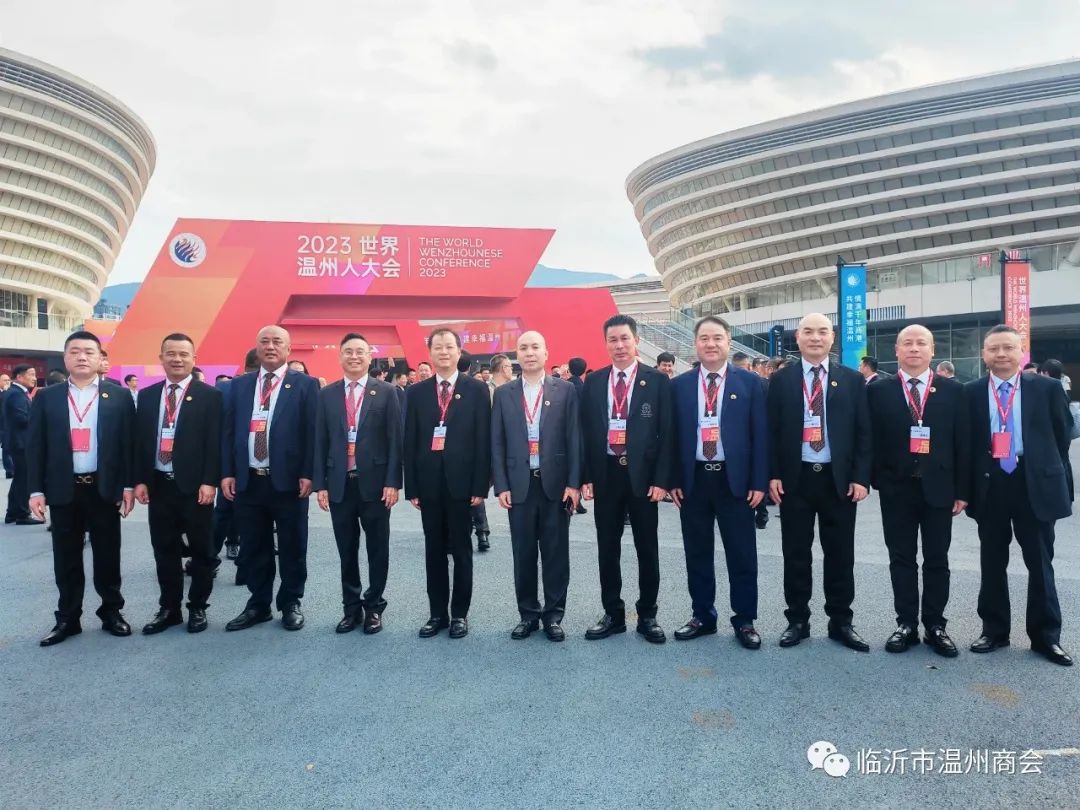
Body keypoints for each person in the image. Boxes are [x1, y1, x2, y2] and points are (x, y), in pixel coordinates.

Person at [965, 325, 1073, 666]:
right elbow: (967, 443)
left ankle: (1046, 637)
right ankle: (994, 631)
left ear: (1021, 352)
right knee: (992, 560)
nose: (1001, 354)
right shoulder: (971, 392)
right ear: (983, 354)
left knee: (1040, 561)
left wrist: (1051, 474)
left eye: (1008, 348)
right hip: (991, 482)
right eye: (993, 348)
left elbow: (1062, 436)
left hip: (1033, 481)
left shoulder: (1047, 388)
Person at [768, 313, 872, 652]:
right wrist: (773, 474)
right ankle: (797, 620)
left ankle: (841, 621)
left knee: (840, 554)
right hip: (795, 479)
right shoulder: (781, 380)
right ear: (798, 338)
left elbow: (863, 433)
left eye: (822, 331)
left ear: (832, 338)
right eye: (809, 332)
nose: (816, 337)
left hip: (837, 481)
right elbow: (771, 432)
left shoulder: (852, 380)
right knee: (796, 553)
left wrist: (860, 477)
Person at [868, 325, 970, 657]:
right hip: (896, 489)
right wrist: (878, 479)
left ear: (932, 350)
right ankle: (906, 624)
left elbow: (963, 443)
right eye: (907, 343)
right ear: (896, 351)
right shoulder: (878, 391)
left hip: (940, 489)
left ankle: (935, 625)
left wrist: (962, 489)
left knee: (937, 559)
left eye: (921, 343)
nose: (914, 348)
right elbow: (870, 439)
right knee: (901, 558)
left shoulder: (953, 391)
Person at [28, 331, 136, 646]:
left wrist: (128, 485)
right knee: (66, 557)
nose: (82, 357)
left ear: (100, 358)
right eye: (74, 351)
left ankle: (111, 612)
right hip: (64, 489)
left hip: (103, 488)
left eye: (89, 351)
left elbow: (128, 445)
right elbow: (35, 446)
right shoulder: (47, 397)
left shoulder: (118, 396)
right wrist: (35, 490)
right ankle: (68, 617)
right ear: (65, 358)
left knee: (107, 554)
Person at [670, 317, 767, 649]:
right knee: (697, 552)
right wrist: (673, 479)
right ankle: (702, 616)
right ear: (695, 343)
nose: (710, 344)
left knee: (742, 554)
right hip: (694, 480)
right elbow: (670, 437)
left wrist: (759, 482)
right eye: (704, 338)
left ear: (728, 341)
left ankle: (745, 620)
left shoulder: (751, 383)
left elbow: (760, 436)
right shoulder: (680, 385)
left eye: (717, 338)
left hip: (734, 481)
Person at [580, 314, 674, 644]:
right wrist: (586, 476)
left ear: (636, 341)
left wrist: (661, 480)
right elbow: (585, 432)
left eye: (625, 339)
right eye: (613, 340)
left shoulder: (657, 380)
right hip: (606, 474)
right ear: (606, 344)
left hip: (644, 478)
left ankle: (647, 615)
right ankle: (613, 614)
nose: (619, 345)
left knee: (647, 547)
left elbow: (667, 433)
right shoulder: (594, 382)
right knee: (608, 547)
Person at [221, 325, 318, 632]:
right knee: (254, 545)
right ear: (257, 347)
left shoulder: (305, 385)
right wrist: (227, 472)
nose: (271, 346)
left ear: (288, 349)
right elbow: (228, 432)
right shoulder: (240, 385)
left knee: (292, 545)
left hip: (289, 481)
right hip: (249, 480)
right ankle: (258, 603)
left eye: (278, 342)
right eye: (265, 341)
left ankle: (290, 602)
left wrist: (308, 473)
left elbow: (312, 433)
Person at [492, 331, 581, 642]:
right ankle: (528, 615)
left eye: (535, 347)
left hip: (555, 485)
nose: (529, 353)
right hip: (519, 486)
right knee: (524, 553)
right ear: (516, 355)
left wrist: (574, 483)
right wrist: (501, 484)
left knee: (556, 554)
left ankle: (554, 616)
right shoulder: (504, 393)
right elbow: (497, 442)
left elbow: (574, 438)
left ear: (546, 353)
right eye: (523, 348)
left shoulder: (565, 390)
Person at [403, 328, 490, 639]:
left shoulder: (476, 389)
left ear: (458, 351)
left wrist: (480, 486)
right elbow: (410, 440)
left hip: (462, 485)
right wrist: (412, 487)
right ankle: (437, 613)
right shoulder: (415, 392)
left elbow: (483, 440)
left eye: (449, 347)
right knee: (434, 550)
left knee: (463, 550)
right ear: (429, 353)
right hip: (428, 485)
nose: (443, 352)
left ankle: (460, 615)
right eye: (437, 347)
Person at [133, 334, 222, 634]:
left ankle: (198, 607)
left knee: (202, 550)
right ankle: (169, 608)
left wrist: (209, 481)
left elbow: (214, 443)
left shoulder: (210, 396)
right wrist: (140, 480)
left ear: (194, 359)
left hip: (196, 488)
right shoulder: (147, 396)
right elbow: (140, 442)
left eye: (184, 354)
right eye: (171, 353)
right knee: (164, 550)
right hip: (159, 485)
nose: (177, 359)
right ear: (161, 358)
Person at [313, 333, 401, 634]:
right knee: (346, 550)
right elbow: (320, 441)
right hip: (340, 484)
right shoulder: (327, 394)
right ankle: (351, 608)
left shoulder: (387, 392)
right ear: (340, 357)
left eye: (360, 352)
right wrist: (320, 484)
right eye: (348, 351)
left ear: (369, 357)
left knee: (378, 549)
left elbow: (395, 440)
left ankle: (374, 606)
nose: (354, 356)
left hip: (375, 485)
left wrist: (393, 481)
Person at [458, 353, 491, 552]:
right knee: (474, 496)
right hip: (472, 451)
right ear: (470, 366)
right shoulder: (478, 387)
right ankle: (482, 533)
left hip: (454, 452)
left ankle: (471, 534)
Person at [4, 365, 40, 524]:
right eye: (31, 374)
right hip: (21, 442)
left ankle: (12, 513)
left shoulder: (17, 393)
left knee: (20, 478)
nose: (34, 378)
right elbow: (22, 418)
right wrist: (40, 419)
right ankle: (22, 514)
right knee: (24, 479)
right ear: (19, 377)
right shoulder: (16, 394)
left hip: (19, 441)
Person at [0, 372, 12, 478]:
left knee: (6, 447)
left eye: (8, 380)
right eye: (5, 380)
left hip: (5, 425)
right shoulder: (5, 393)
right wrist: (5, 392)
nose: (7, 382)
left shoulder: (10, 392)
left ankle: (9, 470)